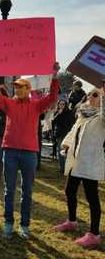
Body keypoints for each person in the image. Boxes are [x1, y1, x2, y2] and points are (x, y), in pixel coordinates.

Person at [0, 62, 60, 239]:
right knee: (9, 190)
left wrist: (55, 76)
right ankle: (8, 223)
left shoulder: (36, 105)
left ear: (28, 89)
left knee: (27, 191)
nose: (17, 90)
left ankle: (24, 225)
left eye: (21, 87)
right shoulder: (9, 104)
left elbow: (52, 97)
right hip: (10, 150)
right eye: (16, 87)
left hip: (29, 152)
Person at [55, 86, 105, 248]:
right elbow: (72, 132)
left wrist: (103, 96)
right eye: (91, 94)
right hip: (76, 161)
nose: (92, 97)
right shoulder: (83, 115)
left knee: (92, 198)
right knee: (69, 191)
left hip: (90, 162)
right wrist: (66, 145)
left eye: (96, 95)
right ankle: (72, 221)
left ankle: (94, 234)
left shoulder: (101, 118)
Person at [52, 99, 74, 174]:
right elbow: (54, 121)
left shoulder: (69, 112)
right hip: (59, 134)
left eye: (63, 104)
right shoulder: (57, 112)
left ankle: (67, 168)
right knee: (60, 152)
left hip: (67, 134)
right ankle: (62, 168)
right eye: (60, 104)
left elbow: (71, 123)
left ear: (66, 105)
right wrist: (59, 114)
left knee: (66, 152)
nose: (61, 105)